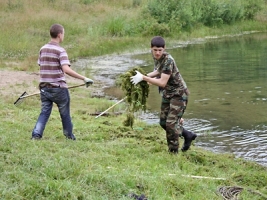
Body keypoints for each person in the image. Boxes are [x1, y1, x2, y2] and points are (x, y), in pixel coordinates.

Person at [130, 36, 196, 153]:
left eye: (160, 50)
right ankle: (187, 135)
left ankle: (173, 152)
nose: (157, 53)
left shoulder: (168, 60)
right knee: (163, 123)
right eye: (155, 50)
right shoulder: (157, 58)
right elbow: (158, 71)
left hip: (179, 94)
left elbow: (162, 82)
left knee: (171, 125)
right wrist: (145, 77)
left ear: (164, 49)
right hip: (168, 93)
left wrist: (144, 78)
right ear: (151, 48)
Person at [31, 24, 94, 140]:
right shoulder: (61, 50)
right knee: (65, 114)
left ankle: (36, 135)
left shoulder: (42, 49)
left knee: (44, 112)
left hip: (44, 87)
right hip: (59, 88)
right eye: (63, 34)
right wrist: (84, 78)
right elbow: (66, 69)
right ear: (60, 35)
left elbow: (41, 65)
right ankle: (69, 136)